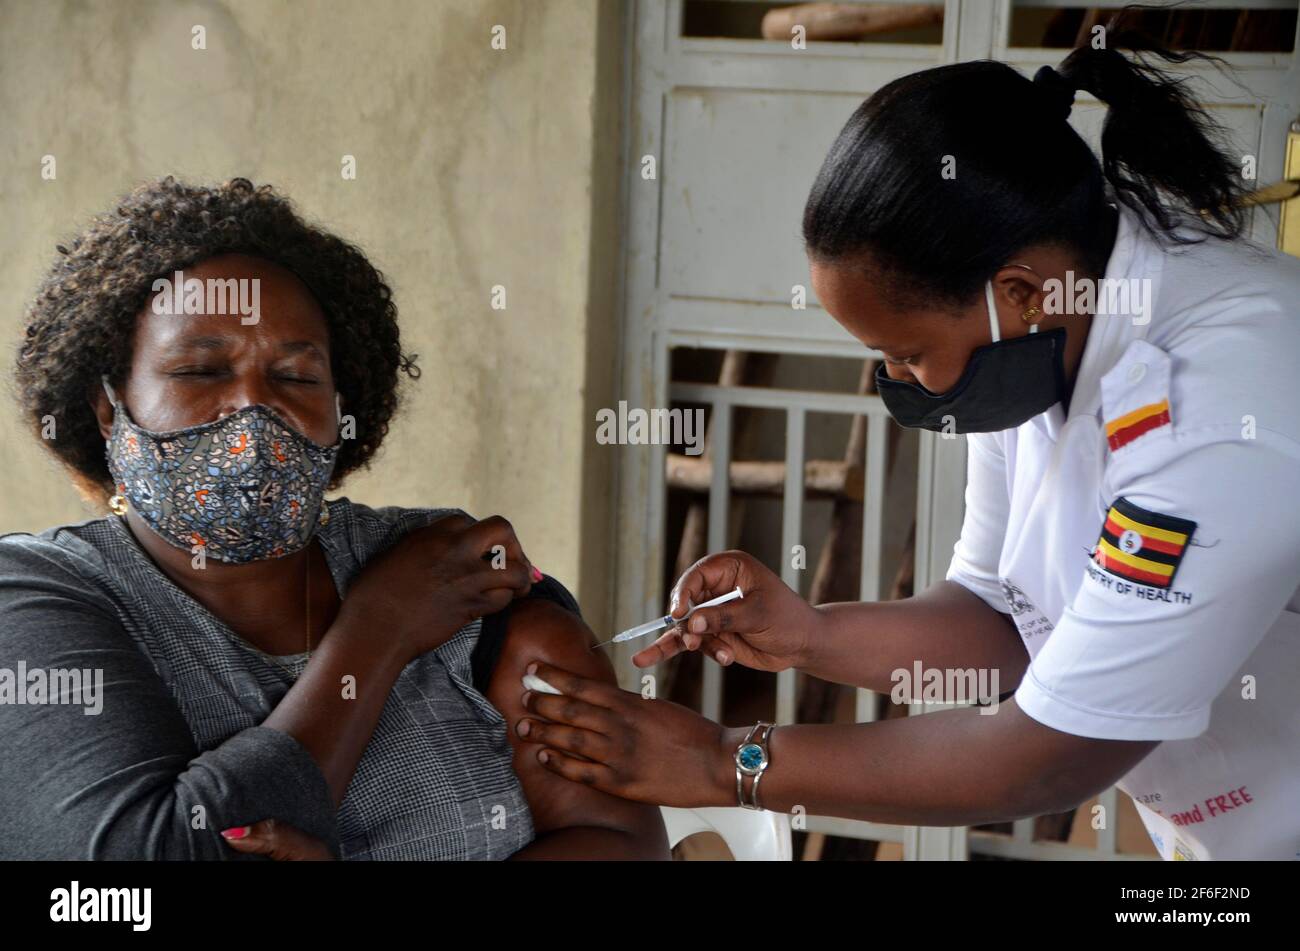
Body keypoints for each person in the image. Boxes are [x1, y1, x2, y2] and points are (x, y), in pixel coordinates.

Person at [512, 37, 1300, 860]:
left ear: (1020, 293)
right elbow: (1000, 617)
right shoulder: (1046, 332)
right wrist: (810, 632)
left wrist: (725, 762)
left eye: (909, 354)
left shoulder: (1215, 408)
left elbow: (1046, 756)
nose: (899, 382)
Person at [0, 176, 667, 860]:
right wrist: (381, 627)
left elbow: (624, 844)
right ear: (109, 407)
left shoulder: (454, 568)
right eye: (200, 370)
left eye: (295, 378)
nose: (252, 409)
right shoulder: (37, 596)